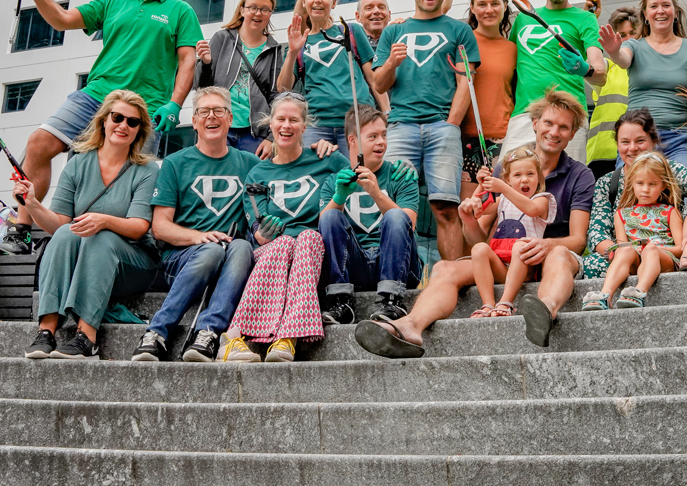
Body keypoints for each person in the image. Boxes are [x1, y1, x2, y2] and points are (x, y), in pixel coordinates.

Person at [353, 88, 594, 358]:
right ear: (535, 124)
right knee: (445, 267)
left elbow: (578, 240)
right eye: (548, 123)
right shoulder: (505, 167)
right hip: (504, 261)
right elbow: (480, 240)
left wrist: (546, 245)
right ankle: (410, 327)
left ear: (572, 134)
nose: (554, 132)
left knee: (560, 253)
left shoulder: (579, 175)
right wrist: (468, 218)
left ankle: (544, 310)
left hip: (547, 260)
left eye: (564, 127)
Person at [8, 0, 201, 247]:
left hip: (145, 107)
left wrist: (175, 104)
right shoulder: (113, 2)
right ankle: (21, 229)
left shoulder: (180, 11)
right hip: (97, 97)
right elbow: (62, 19)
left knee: (131, 179)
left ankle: (120, 246)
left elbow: (188, 61)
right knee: (39, 143)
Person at [18, 91, 159, 360]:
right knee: (63, 233)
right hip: (86, 258)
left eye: (133, 122)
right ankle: (46, 331)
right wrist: (33, 204)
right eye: (117, 117)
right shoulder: (77, 165)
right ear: (103, 121)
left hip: (134, 262)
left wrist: (103, 220)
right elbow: (58, 222)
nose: (123, 126)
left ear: (139, 131)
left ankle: (87, 337)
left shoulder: (147, 170)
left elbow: (139, 227)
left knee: (100, 237)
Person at [131, 87, 257, 363]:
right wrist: (199, 237)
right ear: (196, 121)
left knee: (241, 246)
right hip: (183, 259)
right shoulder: (175, 164)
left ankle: (207, 333)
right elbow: (161, 227)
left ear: (230, 118)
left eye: (218, 111)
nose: (211, 117)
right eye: (204, 112)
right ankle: (157, 332)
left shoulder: (250, 163)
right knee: (212, 249)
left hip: (232, 259)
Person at [220, 91, 347, 362]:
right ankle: (235, 336)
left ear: (304, 126)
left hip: (314, 258)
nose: (286, 125)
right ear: (271, 123)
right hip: (273, 255)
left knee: (309, 238)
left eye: (293, 120)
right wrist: (262, 233)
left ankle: (286, 336)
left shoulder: (326, 159)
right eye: (280, 119)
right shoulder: (257, 174)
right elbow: (257, 230)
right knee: (285, 243)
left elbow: (360, 178)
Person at [371, 0, 480, 262]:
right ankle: (395, 277)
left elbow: (466, 83)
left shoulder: (459, 31)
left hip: (442, 127)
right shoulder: (394, 33)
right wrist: (392, 62)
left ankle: (450, 279)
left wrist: (450, 123)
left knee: (446, 208)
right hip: (401, 125)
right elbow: (380, 84)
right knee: (392, 206)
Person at [317, 104, 423, 326]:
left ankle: (393, 301)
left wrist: (376, 193)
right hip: (356, 264)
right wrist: (338, 198)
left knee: (395, 216)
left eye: (384, 135)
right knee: (329, 216)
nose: (381, 142)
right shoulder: (334, 181)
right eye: (373, 136)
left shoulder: (401, 174)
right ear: (353, 141)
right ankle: (340, 302)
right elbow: (323, 226)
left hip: (399, 265)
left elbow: (408, 224)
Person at [503, 0, 606, 161]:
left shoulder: (585, 19)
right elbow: (508, 70)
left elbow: (601, 75)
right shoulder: (523, 19)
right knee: (506, 184)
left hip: (568, 116)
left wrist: (584, 69)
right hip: (524, 115)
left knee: (567, 189)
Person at [583, 108, 687, 280]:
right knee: (591, 264)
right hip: (623, 254)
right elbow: (597, 232)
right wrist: (623, 253)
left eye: (640, 141)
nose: (632, 148)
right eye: (625, 142)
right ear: (617, 144)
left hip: (666, 252)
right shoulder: (606, 183)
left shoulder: (669, 170)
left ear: (653, 141)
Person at [596, 0, 687, 172]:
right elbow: (623, 59)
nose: (660, 11)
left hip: (677, 140)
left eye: (666, 5)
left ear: (675, 12)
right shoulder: (634, 46)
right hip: (637, 138)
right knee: (629, 190)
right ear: (645, 14)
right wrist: (613, 51)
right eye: (654, 6)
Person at [284, 0, 386, 156]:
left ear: (333, 2)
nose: (317, 0)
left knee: (357, 177)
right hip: (317, 124)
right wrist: (292, 52)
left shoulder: (351, 31)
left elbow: (373, 78)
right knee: (317, 179)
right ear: (305, 2)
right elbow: (283, 87)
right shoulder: (299, 42)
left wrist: (387, 112)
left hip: (357, 120)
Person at [582, 151, 684, 310]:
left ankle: (639, 292)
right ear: (631, 183)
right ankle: (605, 295)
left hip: (664, 258)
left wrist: (653, 249)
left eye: (652, 184)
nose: (645, 189)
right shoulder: (621, 214)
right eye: (640, 183)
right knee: (624, 251)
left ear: (663, 185)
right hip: (636, 260)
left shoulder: (671, 212)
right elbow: (622, 246)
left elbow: (680, 248)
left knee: (649, 250)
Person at [195, 0, 285, 155]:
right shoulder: (222, 38)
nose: (258, 13)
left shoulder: (274, 50)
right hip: (218, 126)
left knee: (251, 180)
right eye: (253, 7)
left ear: (270, 13)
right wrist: (205, 64)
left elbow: (276, 96)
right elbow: (201, 88)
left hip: (253, 134)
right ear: (242, 10)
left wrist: (271, 138)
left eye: (265, 9)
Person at [466, 145, 553, 318]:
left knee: (520, 245)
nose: (524, 180)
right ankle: (488, 304)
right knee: (479, 249)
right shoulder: (503, 200)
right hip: (502, 267)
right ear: (508, 179)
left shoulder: (543, 199)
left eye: (530, 174)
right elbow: (478, 209)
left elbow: (532, 210)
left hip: (527, 267)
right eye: (517, 175)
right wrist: (481, 185)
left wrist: (504, 188)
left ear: (539, 177)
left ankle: (506, 301)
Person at [459, 0, 516, 205]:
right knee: (468, 211)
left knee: (497, 214)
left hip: (502, 140)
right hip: (465, 138)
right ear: (472, 8)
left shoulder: (513, 48)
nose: (489, 10)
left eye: (495, 3)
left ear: (504, 6)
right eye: (482, 4)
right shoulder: (462, 40)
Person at [585, 6, 638, 177]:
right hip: (603, 157)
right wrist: (589, 17)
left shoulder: (651, 69)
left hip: (638, 153)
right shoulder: (607, 67)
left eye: (633, 33)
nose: (628, 39)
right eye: (622, 35)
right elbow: (589, 64)